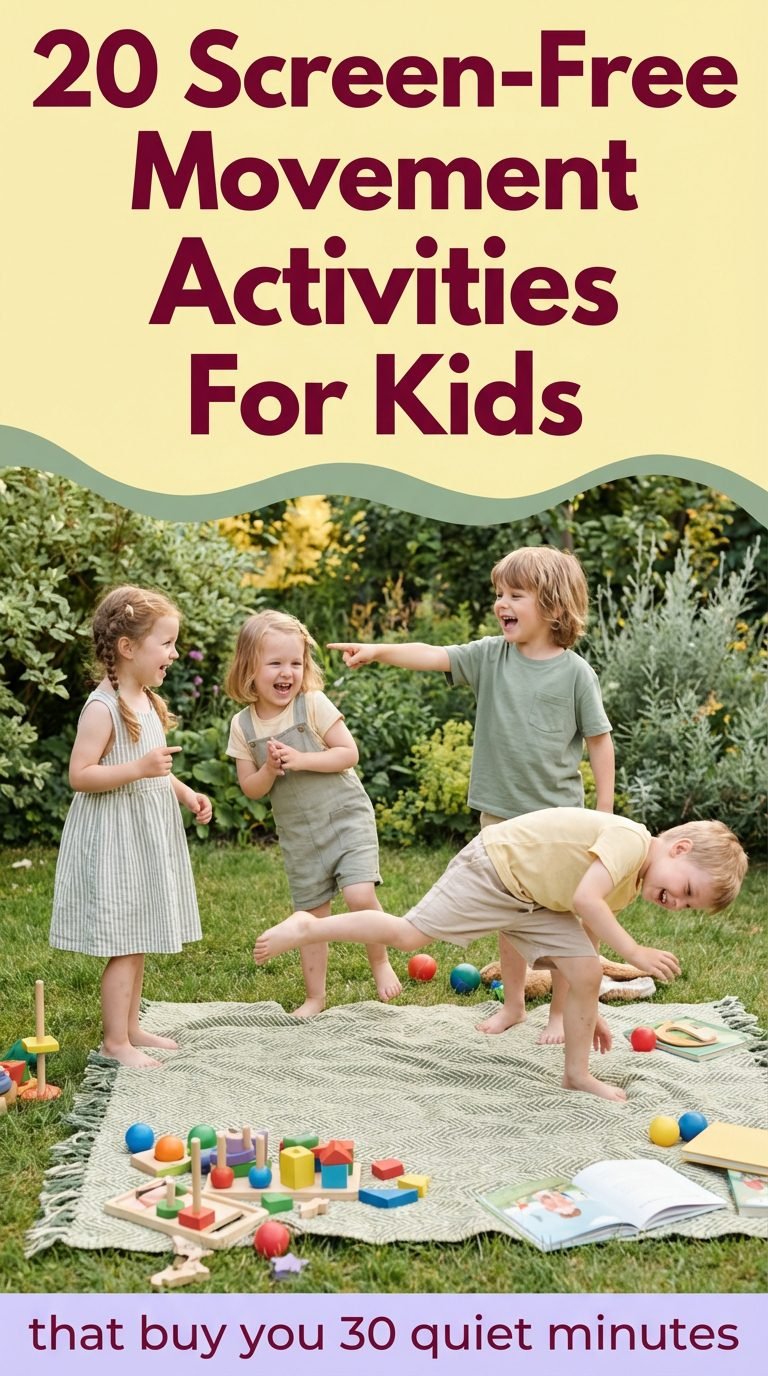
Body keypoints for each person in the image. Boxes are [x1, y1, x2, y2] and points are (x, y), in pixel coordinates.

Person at [254, 808, 748, 1101]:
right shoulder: (630, 842)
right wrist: (635, 950)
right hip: (495, 868)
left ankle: (576, 1074)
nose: (676, 902)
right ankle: (309, 925)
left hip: (532, 899)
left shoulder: (634, 878)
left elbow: (585, 941)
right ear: (679, 849)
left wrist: (587, 1001)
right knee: (409, 935)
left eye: (687, 905)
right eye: (684, 889)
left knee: (587, 972)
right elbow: (584, 901)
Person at [329, 545, 614, 1043]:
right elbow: (433, 655)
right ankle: (515, 1004)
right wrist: (379, 651)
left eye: (515, 595)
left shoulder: (575, 673)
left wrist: (606, 814)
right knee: (509, 915)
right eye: (498, 594)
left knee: (566, 921)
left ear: (551, 603)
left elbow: (599, 741)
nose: (501, 603)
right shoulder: (489, 656)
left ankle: (559, 1014)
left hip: (559, 826)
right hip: (500, 820)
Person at [50, 585, 212, 1068]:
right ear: (128, 647)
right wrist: (138, 770)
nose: (175, 653)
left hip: (144, 833)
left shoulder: (145, 699)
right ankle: (114, 1042)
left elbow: (156, 766)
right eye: (166, 643)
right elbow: (81, 775)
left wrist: (185, 793)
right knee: (124, 939)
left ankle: (132, 1027)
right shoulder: (103, 708)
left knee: (138, 933)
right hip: (116, 837)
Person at [225, 609, 401, 1016]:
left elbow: (348, 754)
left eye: (296, 662)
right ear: (249, 668)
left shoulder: (312, 703)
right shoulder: (243, 726)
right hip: (300, 834)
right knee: (312, 916)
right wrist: (269, 768)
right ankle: (315, 997)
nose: (288, 672)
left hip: (345, 817)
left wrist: (301, 760)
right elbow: (251, 788)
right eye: (275, 663)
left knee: (360, 895)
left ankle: (380, 961)